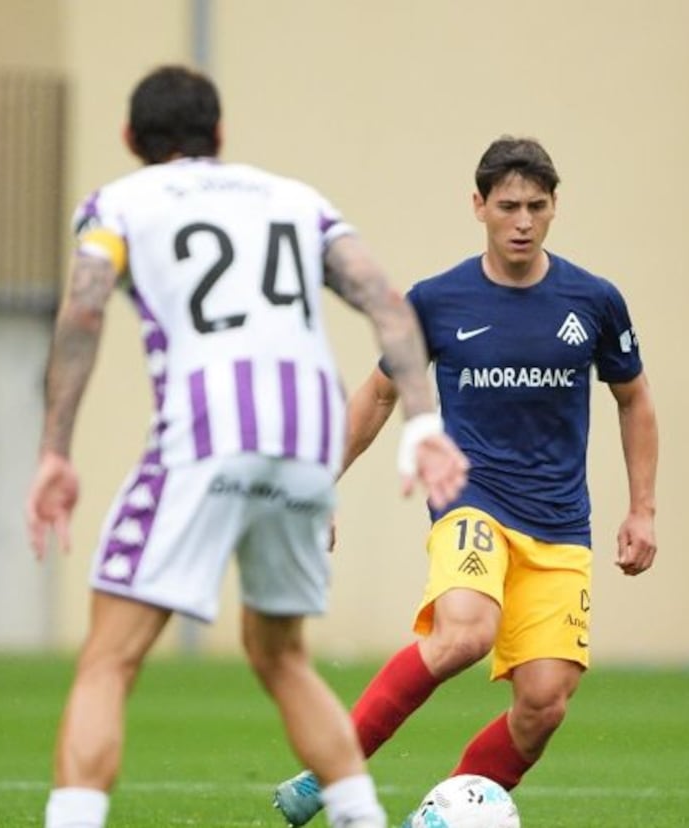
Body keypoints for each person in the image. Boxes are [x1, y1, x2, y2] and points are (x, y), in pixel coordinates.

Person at [25, 65, 469, 828]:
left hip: (209, 430)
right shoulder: (297, 200)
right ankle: (360, 817)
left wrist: (55, 450)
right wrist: (424, 425)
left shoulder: (117, 204)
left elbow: (85, 311)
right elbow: (386, 301)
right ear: (220, 134)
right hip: (309, 435)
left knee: (109, 659)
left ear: (130, 138)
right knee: (281, 655)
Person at [273, 137, 659, 826]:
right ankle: (334, 770)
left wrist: (643, 510)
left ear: (554, 207)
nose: (522, 221)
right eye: (508, 206)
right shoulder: (436, 301)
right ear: (478, 205)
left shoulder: (594, 301)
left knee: (544, 704)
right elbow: (378, 397)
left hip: (560, 525)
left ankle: (441, 816)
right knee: (464, 633)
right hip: (470, 503)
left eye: (536, 206)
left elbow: (634, 400)